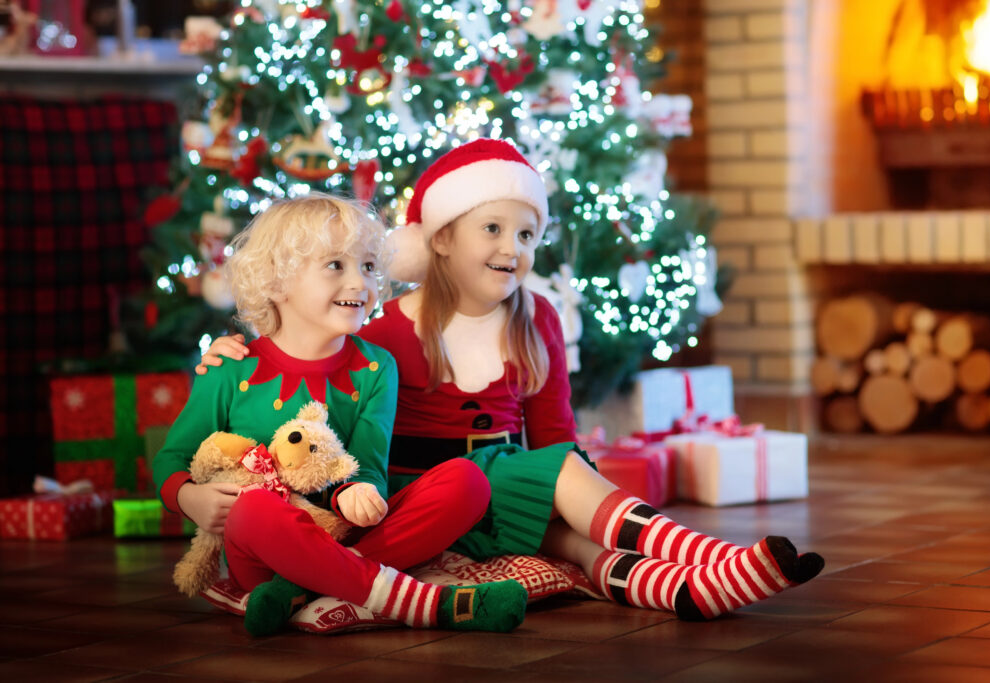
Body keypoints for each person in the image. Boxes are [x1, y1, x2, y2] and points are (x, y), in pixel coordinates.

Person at [201, 141, 824, 621]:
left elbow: (553, 430)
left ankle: (692, 588)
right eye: (493, 229)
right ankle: (710, 554)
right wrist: (237, 349)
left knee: (576, 544)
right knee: (553, 483)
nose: (512, 248)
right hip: (430, 495)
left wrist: (571, 493)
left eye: (527, 234)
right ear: (442, 238)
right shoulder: (386, 331)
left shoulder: (537, 318)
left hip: (509, 484)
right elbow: (309, 362)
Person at [156, 193, 527, 637]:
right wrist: (189, 499)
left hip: (349, 534)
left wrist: (361, 493)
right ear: (276, 282)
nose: (360, 282)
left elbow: (368, 465)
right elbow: (172, 458)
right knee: (254, 508)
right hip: (265, 547)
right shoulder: (230, 367)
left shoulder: (376, 367)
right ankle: (421, 602)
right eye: (336, 265)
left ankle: (306, 588)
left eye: (368, 266)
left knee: (467, 481)